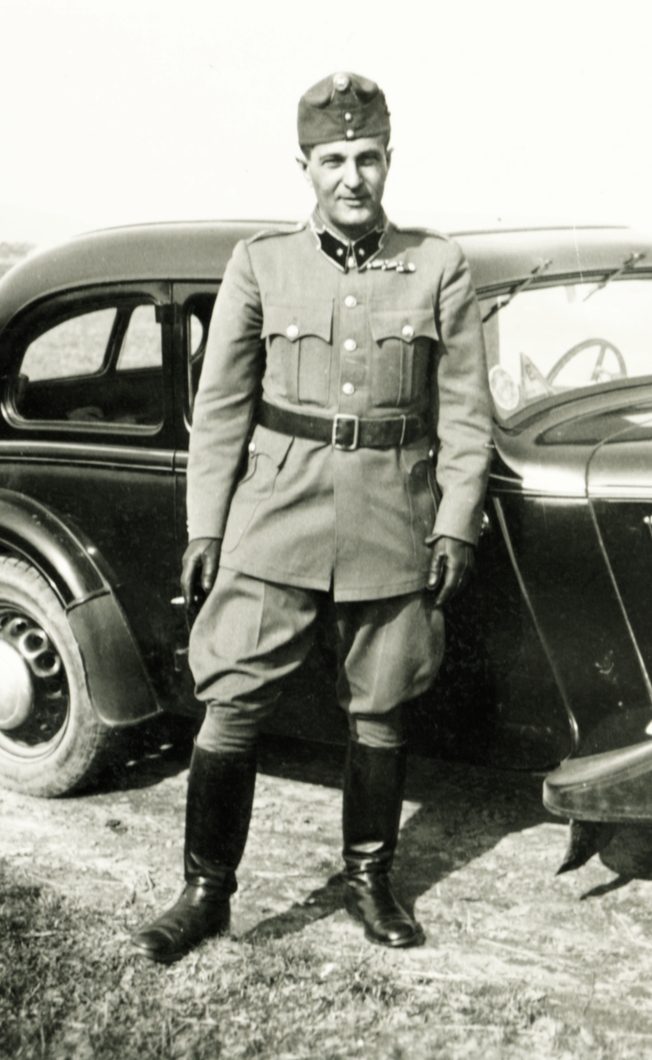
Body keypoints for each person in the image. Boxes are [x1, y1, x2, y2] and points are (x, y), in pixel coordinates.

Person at [131, 71, 492, 964]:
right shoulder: (261, 264)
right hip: (276, 512)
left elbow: (467, 414)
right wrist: (206, 529)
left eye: (368, 158)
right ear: (305, 166)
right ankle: (206, 893)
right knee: (231, 703)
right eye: (333, 160)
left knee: (382, 708)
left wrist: (453, 525)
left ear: (388, 160)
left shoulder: (439, 266)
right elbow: (220, 410)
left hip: (392, 515)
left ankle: (368, 880)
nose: (352, 177)